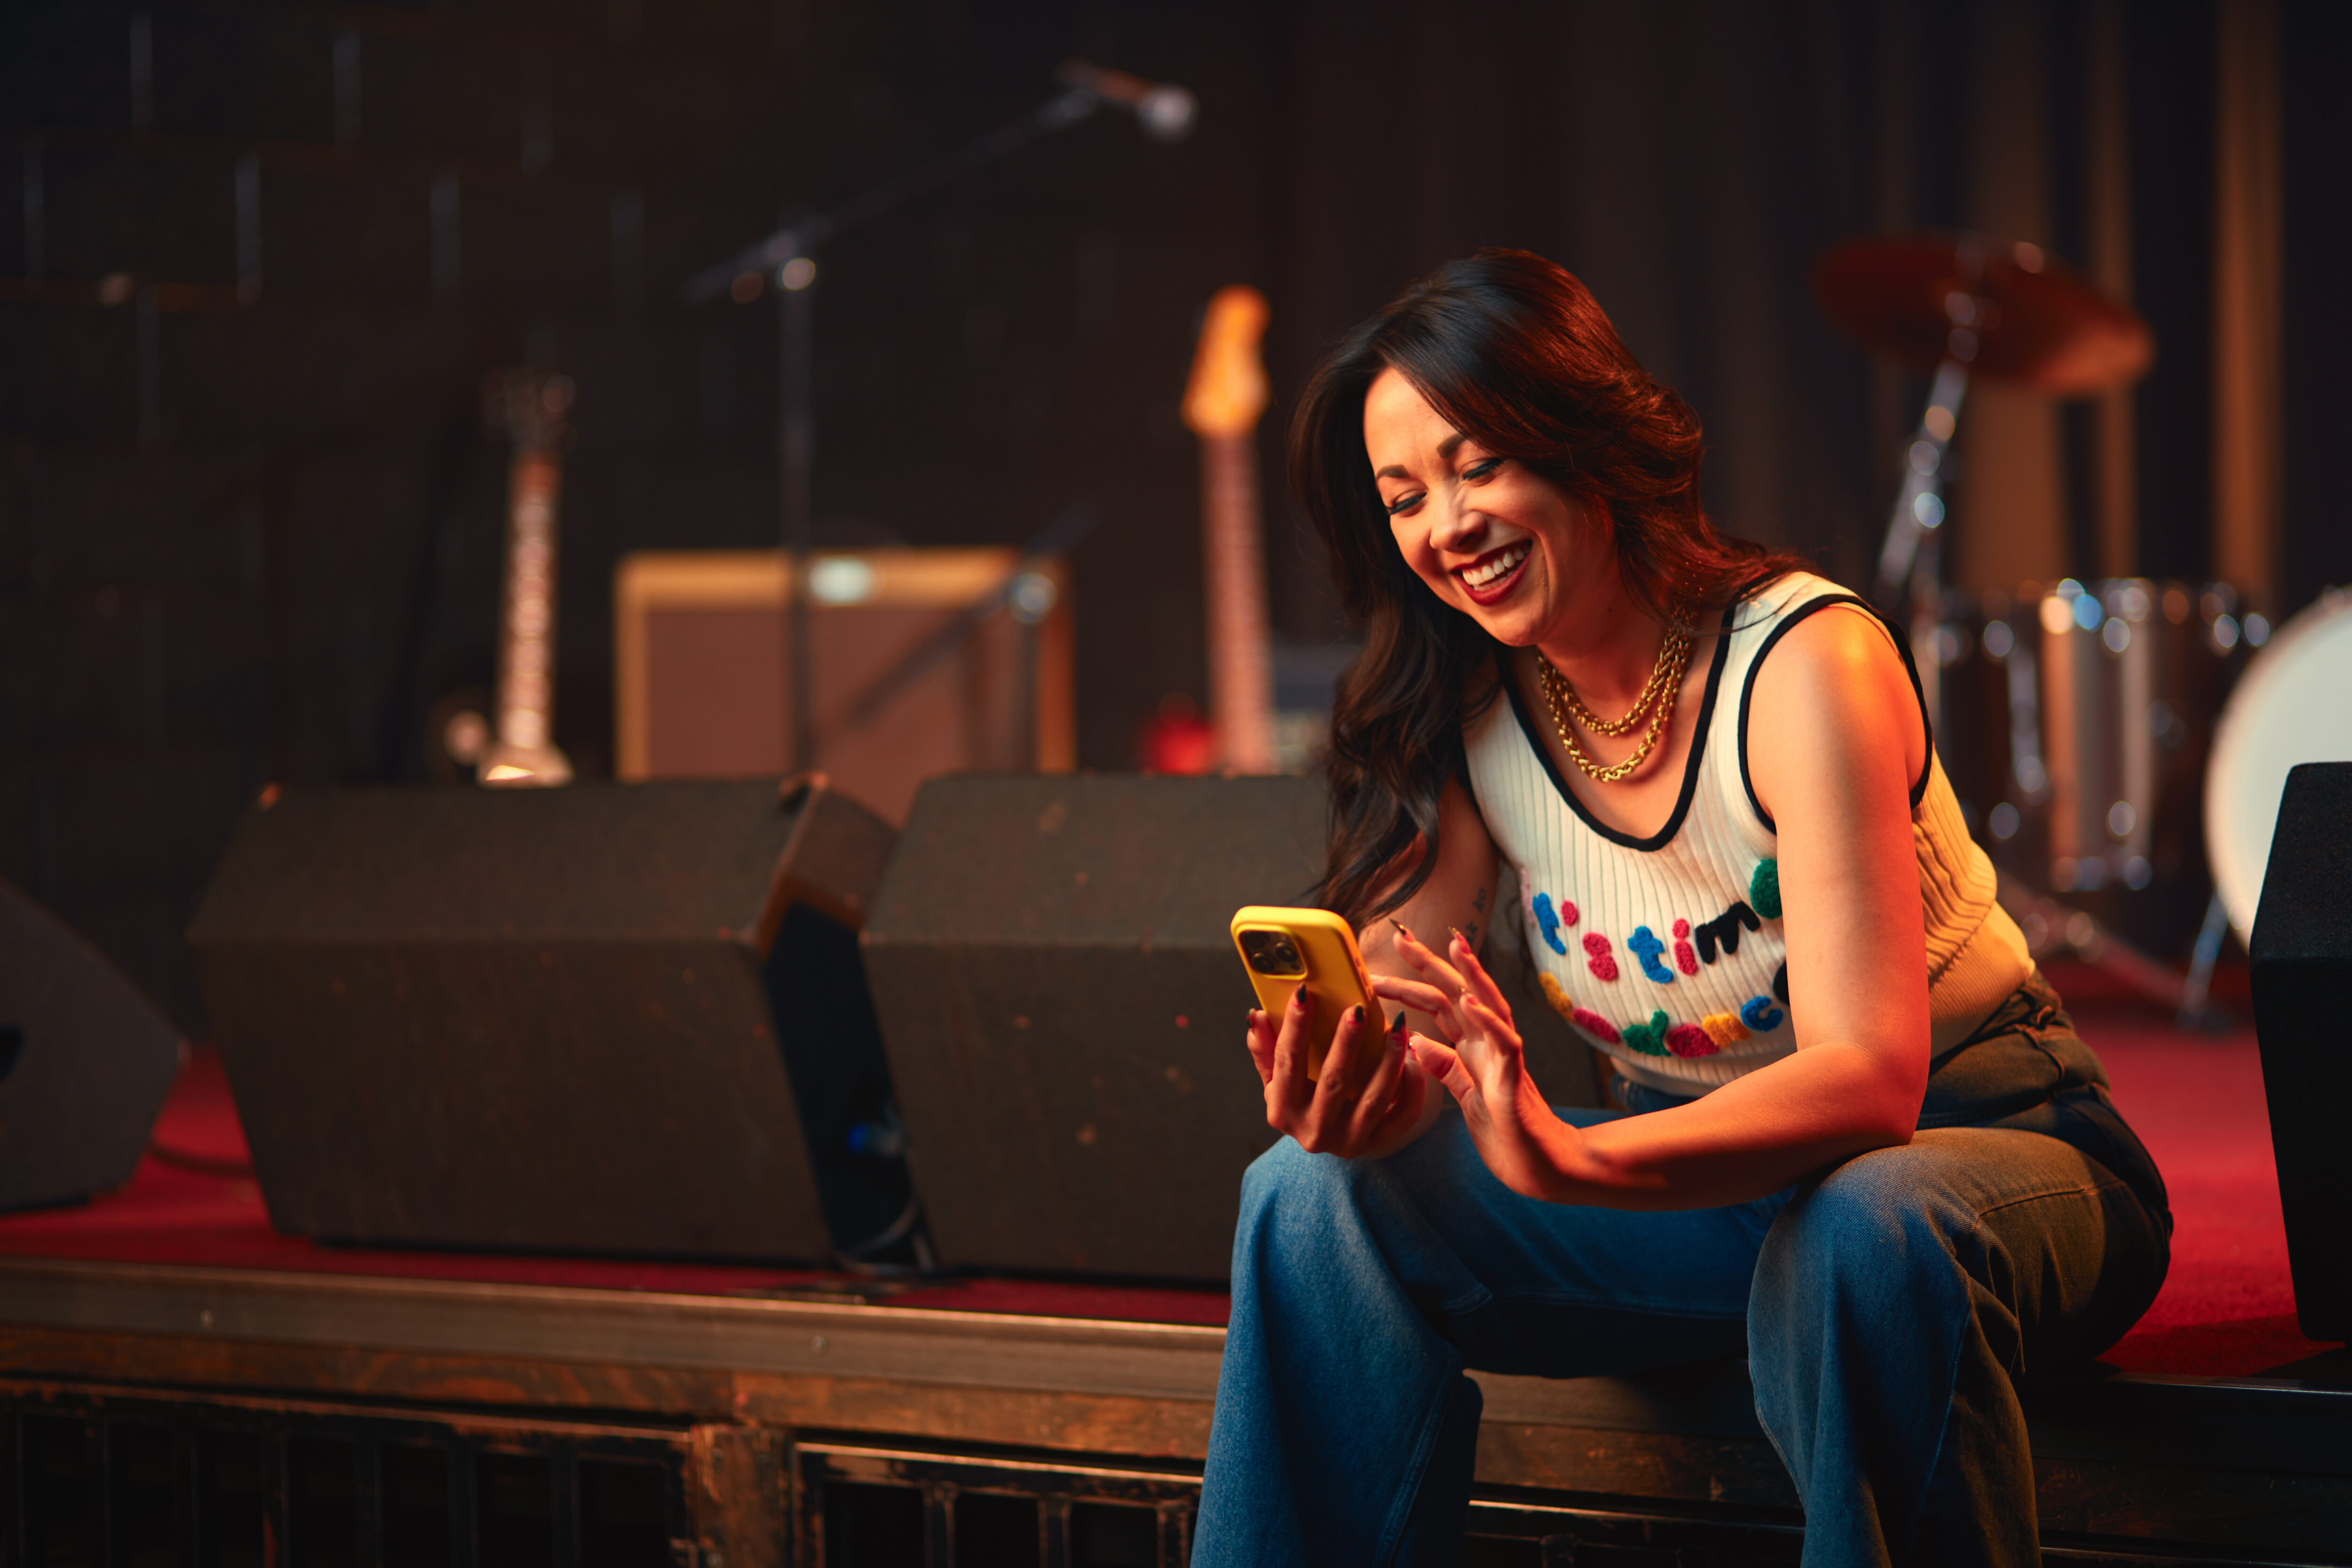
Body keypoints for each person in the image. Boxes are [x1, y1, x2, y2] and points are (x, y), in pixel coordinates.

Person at [1191, 250, 2170, 1568]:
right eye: (1405, 496)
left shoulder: (1803, 660)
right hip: (1707, 1197)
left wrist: (1575, 1160)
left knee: (1862, 1229)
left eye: (1481, 466)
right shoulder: (1469, 702)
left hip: (1987, 1153)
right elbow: (1405, 973)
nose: (1447, 526)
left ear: (1585, 442)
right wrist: (1365, 1079)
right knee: (1311, 1195)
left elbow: (1869, 1083)